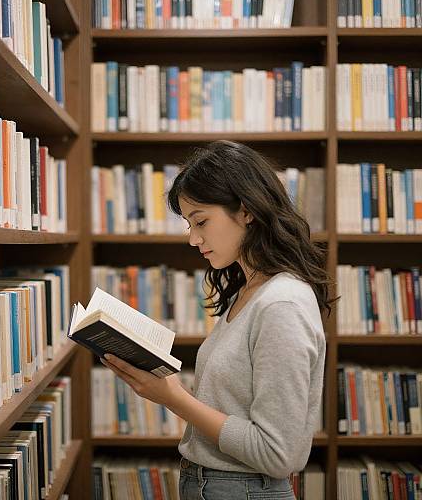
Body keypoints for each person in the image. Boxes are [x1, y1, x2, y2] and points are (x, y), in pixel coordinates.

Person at [101, 140, 332, 499]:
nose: (193, 239)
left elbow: (277, 453)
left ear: (246, 211)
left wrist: (174, 398)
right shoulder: (247, 290)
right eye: (188, 225)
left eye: (201, 221)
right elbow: (234, 408)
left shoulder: (280, 304)